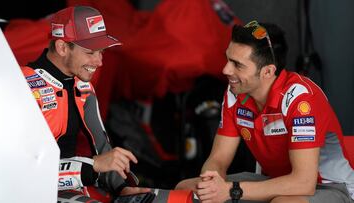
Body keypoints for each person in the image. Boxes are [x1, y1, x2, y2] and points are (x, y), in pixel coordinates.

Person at [176, 20, 354, 203]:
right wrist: (211, 181)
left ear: (268, 72)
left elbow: (304, 182)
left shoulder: (300, 99)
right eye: (227, 59)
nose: (225, 69)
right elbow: (218, 159)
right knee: (187, 189)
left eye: (237, 65)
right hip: (275, 182)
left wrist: (231, 190)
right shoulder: (234, 93)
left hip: (328, 186)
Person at [21, 6, 152, 202]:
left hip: (75, 189)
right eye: (91, 52)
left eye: (102, 52)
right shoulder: (20, 86)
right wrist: (92, 166)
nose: (99, 62)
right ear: (62, 47)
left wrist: (121, 188)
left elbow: (102, 148)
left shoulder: (83, 86)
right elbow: (17, 171)